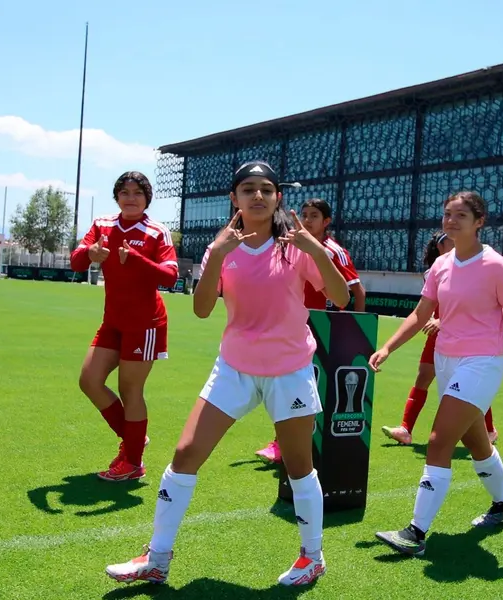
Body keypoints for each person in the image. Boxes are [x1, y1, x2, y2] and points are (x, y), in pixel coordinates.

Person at [105, 161, 348, 586]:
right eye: (248, 189)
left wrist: (316, 251)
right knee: (185, 455)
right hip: (234, 368)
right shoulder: (222, 247)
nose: (258, 196)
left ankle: (312, 557)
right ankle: (157, 559)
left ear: (278, 198)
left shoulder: (295, 245)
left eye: (267, 189)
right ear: (234, 198)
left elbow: (341, 297)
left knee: (298, 466)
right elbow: (202, 309)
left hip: (289, 369)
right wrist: (216, 255)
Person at [370, 191, 503, 556]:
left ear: (479, 222)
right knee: (477, 443)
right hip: (446, 359)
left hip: (482, 362)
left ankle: (415, 533)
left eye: (460, 215)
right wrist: (388, 347)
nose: (450, 221)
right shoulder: (441, 265)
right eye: (447, 214)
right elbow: (421, 314)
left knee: (439, 441)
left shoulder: (497, 266)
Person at [70, 172, 177, 481]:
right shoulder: (102, 225)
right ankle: (133, 440)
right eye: (125, 192)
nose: (131, 198)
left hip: (145, 324)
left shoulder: (156, 232)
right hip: (113, 321)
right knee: (89, 381)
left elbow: (170, 277)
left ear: (147, 198)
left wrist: (137, 259)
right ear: (116, 197)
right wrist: (90, 254)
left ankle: (132, 462)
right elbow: (76, 262)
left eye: (138, 193)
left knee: (130, 389)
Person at [255, 197, 367, 464]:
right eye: (304, 214)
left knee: (309, 386)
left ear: (326, 221)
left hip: (323, 327)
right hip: (293, 325)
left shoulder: (333, 251)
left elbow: (357, 291)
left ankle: (303, 445)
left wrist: (356, 329)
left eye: (314, 216)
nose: (306, 220)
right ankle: (282, 444)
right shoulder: (288, 244)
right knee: (286, 382)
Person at [380, 232, 498, 446]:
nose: (455, 240)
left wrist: (442, 320)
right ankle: (406, 429)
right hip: (438, 335)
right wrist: (388, 347)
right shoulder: (434, 271)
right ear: (440, 246)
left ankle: (489, 431)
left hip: (465, 336)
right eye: (449, 239)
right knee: (423, 377)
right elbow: (424, 309)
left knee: (468, 384)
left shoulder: (477, 267)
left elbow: (471, 306)